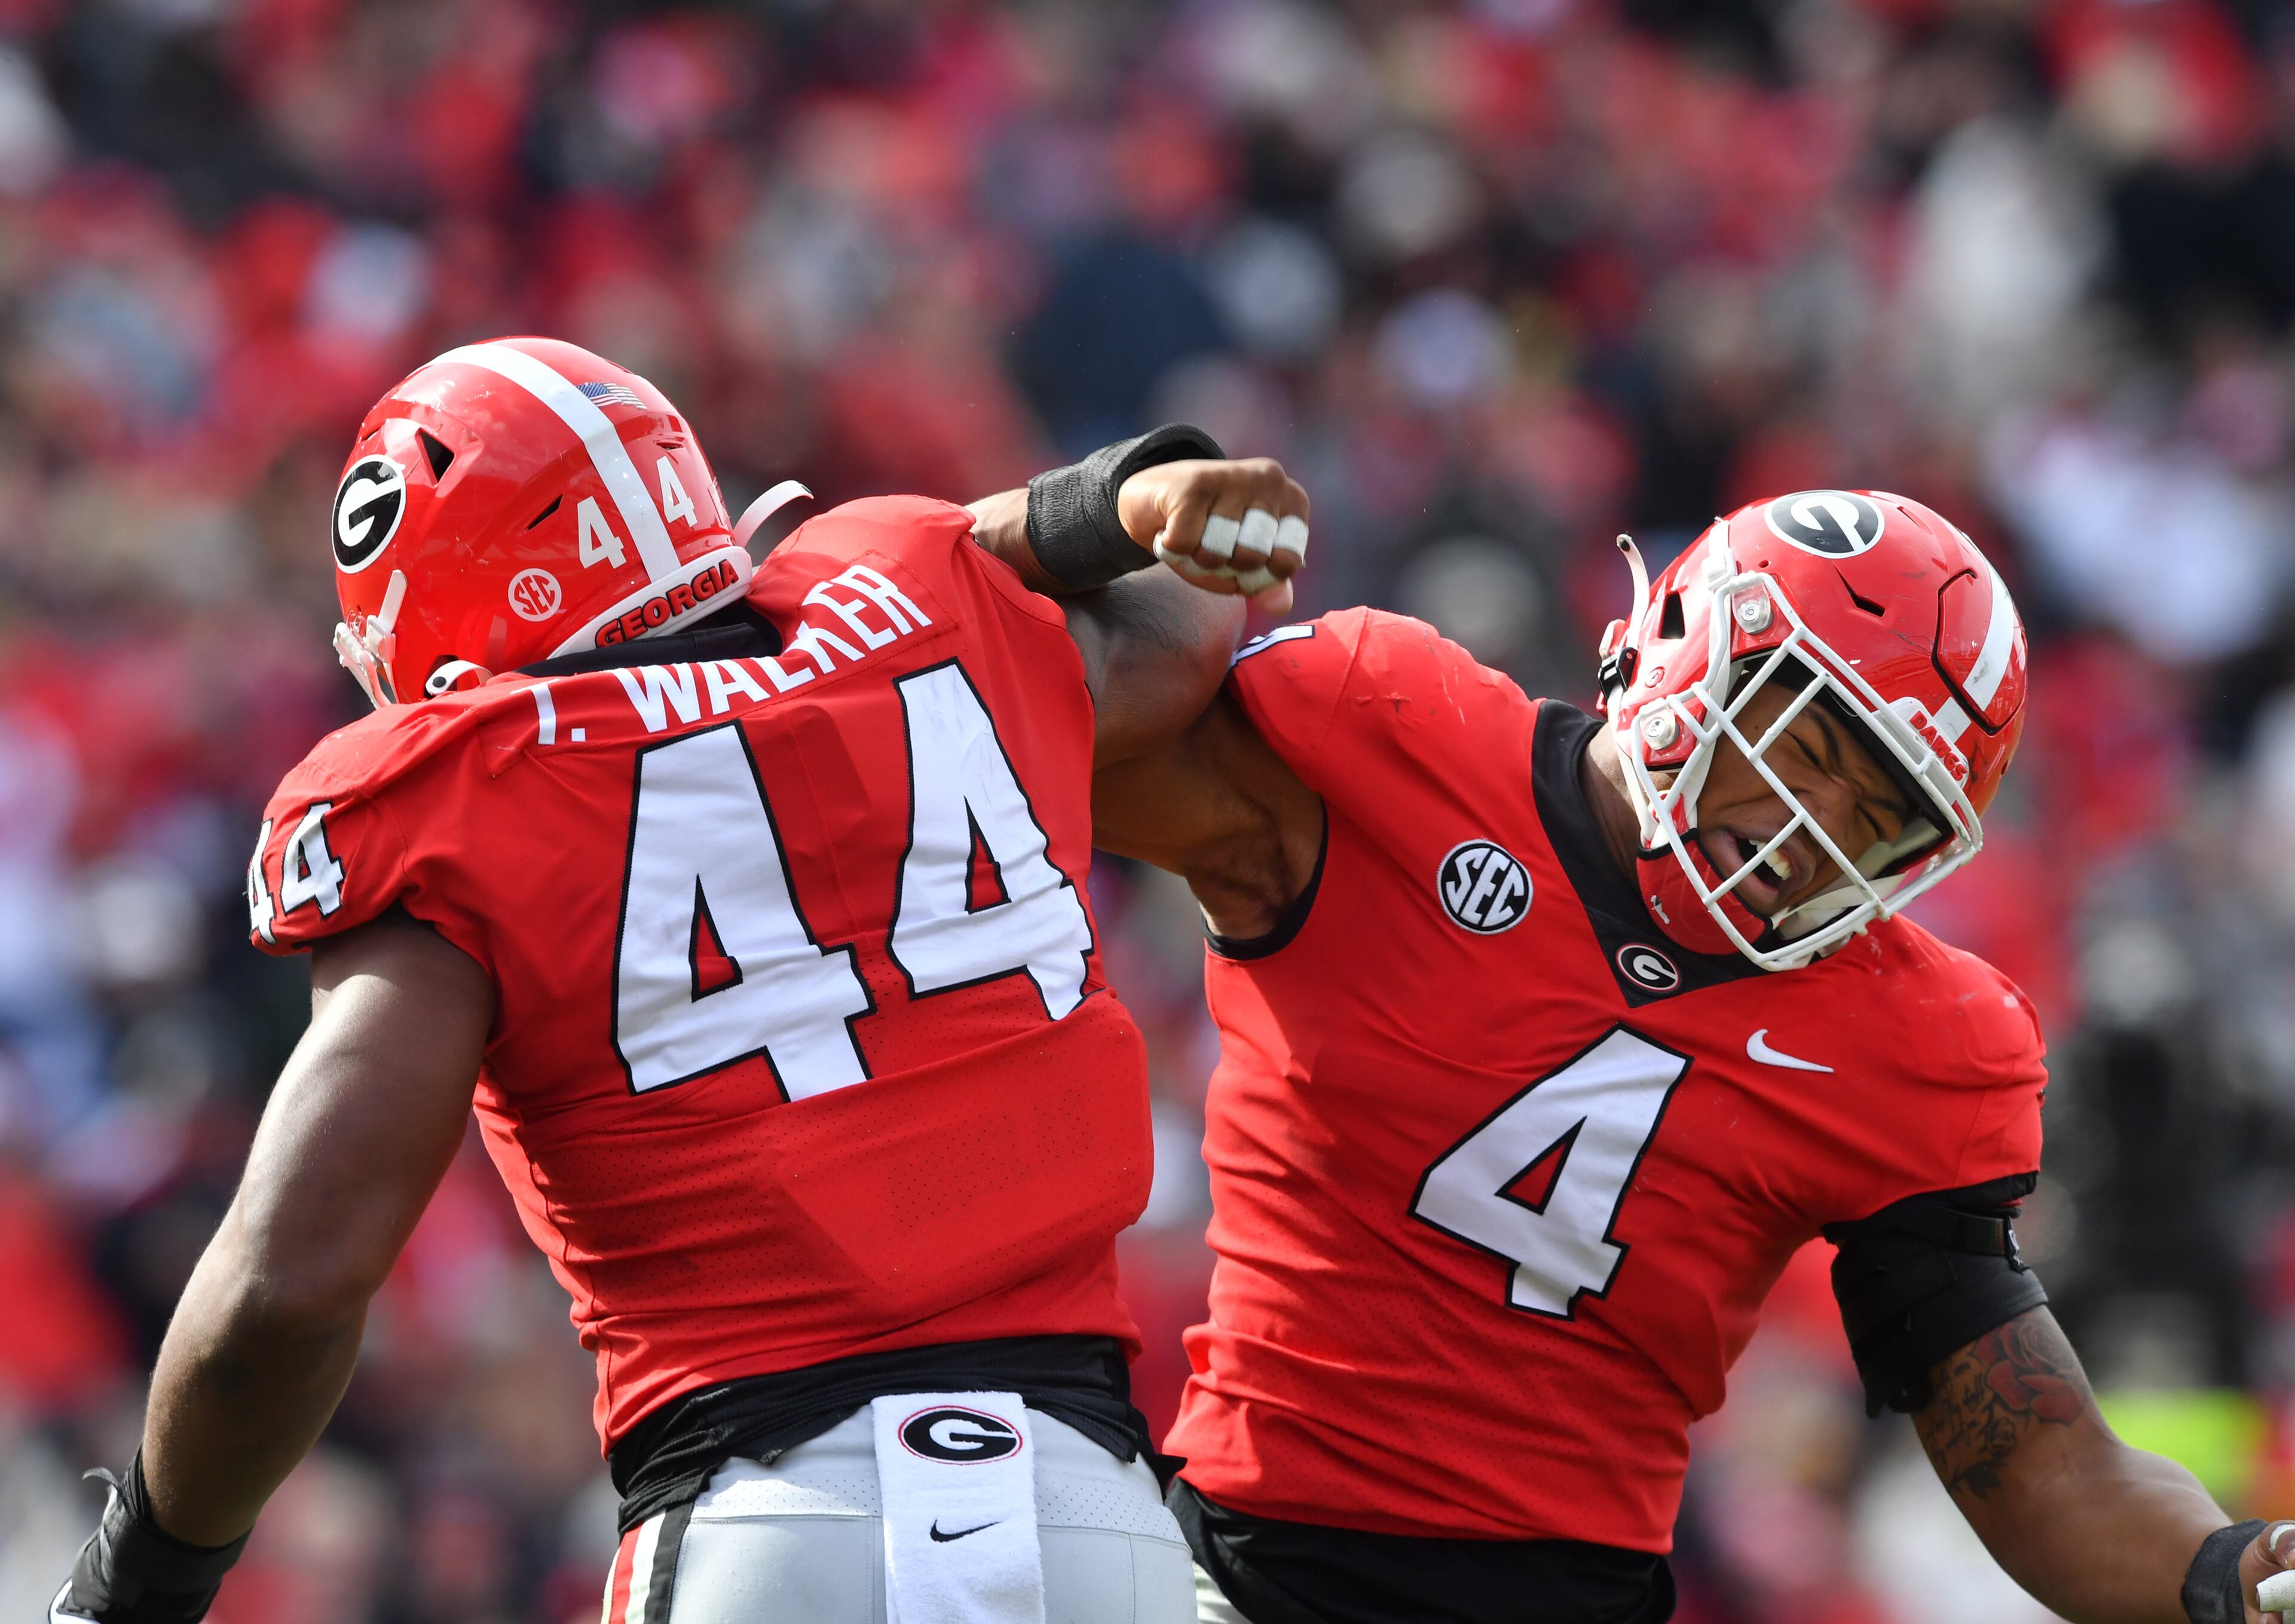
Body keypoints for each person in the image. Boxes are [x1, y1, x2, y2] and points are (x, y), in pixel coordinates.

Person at [50, 335, 1310, 1624]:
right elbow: (1178, 618)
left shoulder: (466, 789)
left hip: (768, 1518)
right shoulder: (916, 597)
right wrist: (1091, 503)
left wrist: (131, 1583)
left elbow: (291, 1282)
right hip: (1094, 1521)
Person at [1088, 488, 2295, 1624]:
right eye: (1807, 742)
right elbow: (1043, 734)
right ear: (1694, 644)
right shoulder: (1399, 733)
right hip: (1254, 1571)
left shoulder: (1912, 1041)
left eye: (1882, 816)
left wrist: (2227, 1575)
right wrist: (1108, 514)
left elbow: (2039, 1459)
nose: (1812, 829)